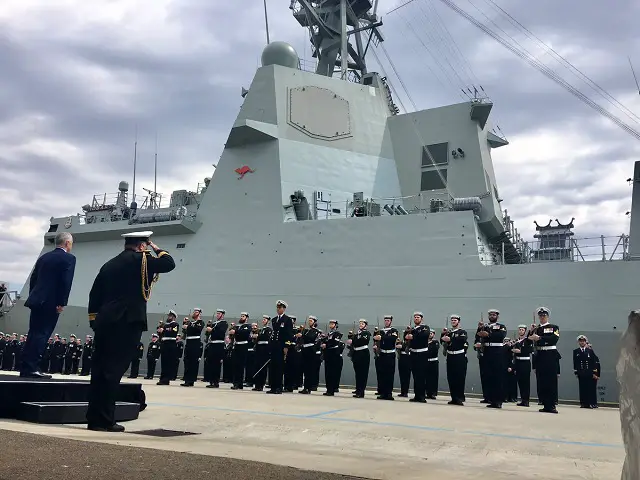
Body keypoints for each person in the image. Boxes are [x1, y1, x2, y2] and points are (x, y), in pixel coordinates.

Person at [86, 231, 175, 432]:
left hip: (104, 321)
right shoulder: (142, 260)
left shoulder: (109, 265)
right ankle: (104, 420)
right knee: (113, 372)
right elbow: (169, 263)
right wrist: (157, 248)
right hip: (127, 322)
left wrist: (94, 320)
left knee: (100, 370)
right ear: (142, 245)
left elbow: (95, 294)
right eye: (147, 244)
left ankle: (94, 417)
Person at [20, 232, 76, 378]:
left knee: (33, 333)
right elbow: (65, 282)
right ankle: (33, 368)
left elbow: (34, 279)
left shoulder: (44, 257)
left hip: (37, 301)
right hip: (51, 303)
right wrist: (61, 302)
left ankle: (26, 367)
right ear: (67, 243)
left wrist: (36, 296)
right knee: (42, 334)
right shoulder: (69, 258)